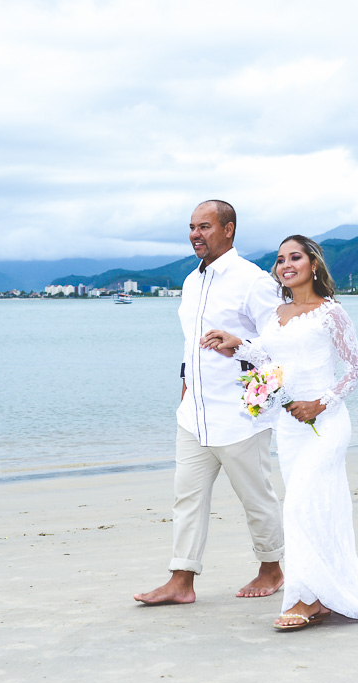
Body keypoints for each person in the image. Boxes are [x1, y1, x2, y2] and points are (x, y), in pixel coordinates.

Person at [201, 236, 358, 629]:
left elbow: (357, 371)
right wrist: (236, 345)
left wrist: (322, 402)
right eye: (280, 259)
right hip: (290, 427)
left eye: (294, 257)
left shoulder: (332, 313)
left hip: (326, 425)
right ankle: (319, 594)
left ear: (313, 264)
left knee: (298, 506)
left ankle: (306, 598)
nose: (286, 264)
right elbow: (269, 359)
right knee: (316, 507)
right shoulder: (276, 314)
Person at [134, 201, 285, 605]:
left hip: (240, 415)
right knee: (187, 498)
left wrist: (239, 350)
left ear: (229, 229)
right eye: (191, 227)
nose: (195, 234)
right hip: (194, 415)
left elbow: (281, 345)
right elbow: (191, 341)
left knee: (257, 498)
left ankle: (272, 568)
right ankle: (181, 580)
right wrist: (185, 380)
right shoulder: (190, 281)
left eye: (204, 226)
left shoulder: (253, 281)